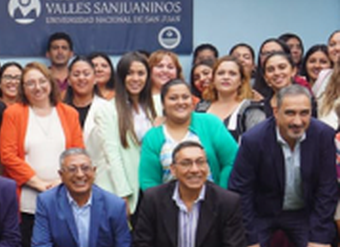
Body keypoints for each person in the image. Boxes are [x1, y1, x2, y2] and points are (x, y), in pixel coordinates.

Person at [229, 85, 338, 247]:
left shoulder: (323, 135)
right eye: (290, 113)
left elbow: (327, 188)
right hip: (263, 213)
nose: (298, 121)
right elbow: (240, 190)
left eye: (304, 113)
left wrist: (320, 236)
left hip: (304, 213)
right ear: (275, 111)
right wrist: (250, 239)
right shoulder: (254, 139)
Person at [0, 62, 84, 247]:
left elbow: (77, 151)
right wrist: (37, 182)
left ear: (51, 83)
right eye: (30, 83)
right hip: (27, 196)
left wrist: (61, 182)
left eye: (41, 81)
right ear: (23, 88)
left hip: (61, 195)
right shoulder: (14, 113)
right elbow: (7, 154)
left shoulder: (68, 113)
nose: (37, 87)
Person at [85, 52, 157, 213]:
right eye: (129, 73)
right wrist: (123, 193)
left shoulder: (156, 107)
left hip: (152, 184)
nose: (135, 78)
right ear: (121, 76)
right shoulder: (107, 109)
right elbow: (112, 154)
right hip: (127, 189)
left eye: (141, 73)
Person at [139, 80, 237, 192]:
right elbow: (148, 180)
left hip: (212, 199)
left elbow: (232, 160)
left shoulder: (210, 123)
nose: (180, 102)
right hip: (169, 201)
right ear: (163, 104)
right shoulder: (152, 137)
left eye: (185, 97)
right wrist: (162, 201)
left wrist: (220, 192)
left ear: (192, 101)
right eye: (173, 98)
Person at [195, 56, 264, 141]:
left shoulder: (251, 111)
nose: (226, 77)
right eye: (221, 73)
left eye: (232, 74)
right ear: (213, 80)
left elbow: (258, 144)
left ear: (241, 81)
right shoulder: (200, 108)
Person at [255, 51, 297, 115]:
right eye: (270, 70)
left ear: (293, 71)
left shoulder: (308, 102)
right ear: (265, 78)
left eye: (282, 67)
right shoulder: (260, 108)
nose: (276, 73)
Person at [63, 56, 97, 127]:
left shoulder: (106, 108)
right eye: (76, 75)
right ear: (69, 80)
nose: (81, 78)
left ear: (95, 79)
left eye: (86, 74)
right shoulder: (61, 110)